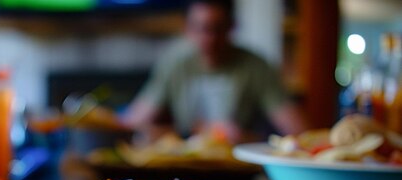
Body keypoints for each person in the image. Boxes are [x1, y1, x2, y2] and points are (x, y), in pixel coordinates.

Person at [122, 0, 307, 143]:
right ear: (187, 29)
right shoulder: (175, 64)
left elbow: (299, 130)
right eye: (201, 28)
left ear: (231, 27)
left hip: (239, 170)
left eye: (217, 29)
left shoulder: (256, 66)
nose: (209, 38)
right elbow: (133, 123)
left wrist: (248, 138)